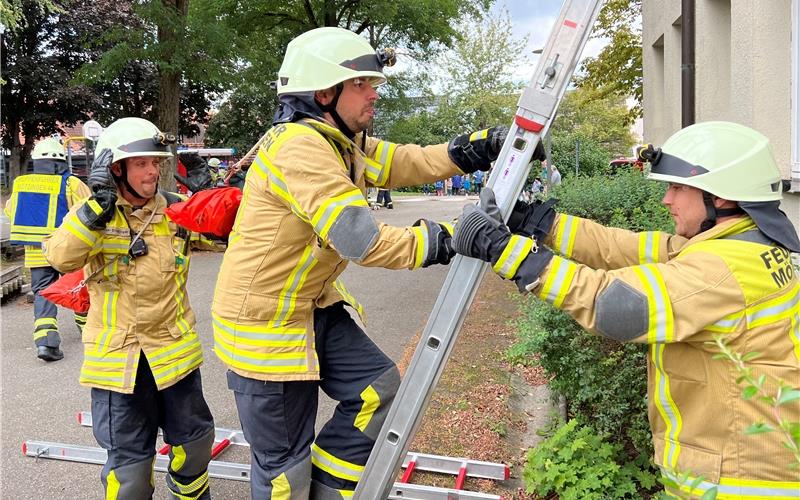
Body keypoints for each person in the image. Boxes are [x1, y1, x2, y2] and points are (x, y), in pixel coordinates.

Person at [210, 26, 506, 499]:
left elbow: (404, 161)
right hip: (263, 327)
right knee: (284, 469)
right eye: (361, 84)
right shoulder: (300, 147)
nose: (374, 94)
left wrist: (469, 150)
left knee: (378, 388)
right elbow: (361, 240)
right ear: (324, 92)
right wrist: (449, 240)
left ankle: (326, 488)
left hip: (305, 309)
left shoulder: (341, 142)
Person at [453, 121, 800, 497]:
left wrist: (510, 254)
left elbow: (617, 306)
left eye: (678, 187)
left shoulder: (720, 270)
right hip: (747, 464)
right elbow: (623, 248)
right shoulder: (739, 245)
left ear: (722, 197)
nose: (667, 200)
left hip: (740, 482)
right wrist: (538, 223)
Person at [43, 117, 217, 500]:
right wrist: (95, 211)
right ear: (115, 168)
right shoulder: (95, 214)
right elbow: (59, 256)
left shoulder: (174, 210)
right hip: (119, 364)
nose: (153, 170)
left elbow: (228, 240)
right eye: (141, 163)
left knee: (197, 447)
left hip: (175, 356)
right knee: (131, 472)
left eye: (156, 162)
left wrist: (211, 199)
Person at [5, 137, 91, 361]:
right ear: (62, 160)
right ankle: (88, 330)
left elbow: (10, 211)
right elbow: (89, 211)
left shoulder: (21, 184)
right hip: (67, 249)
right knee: (77, 287)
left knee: (44, 293)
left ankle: (46, 343)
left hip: (37, 251)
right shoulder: (71, 183)